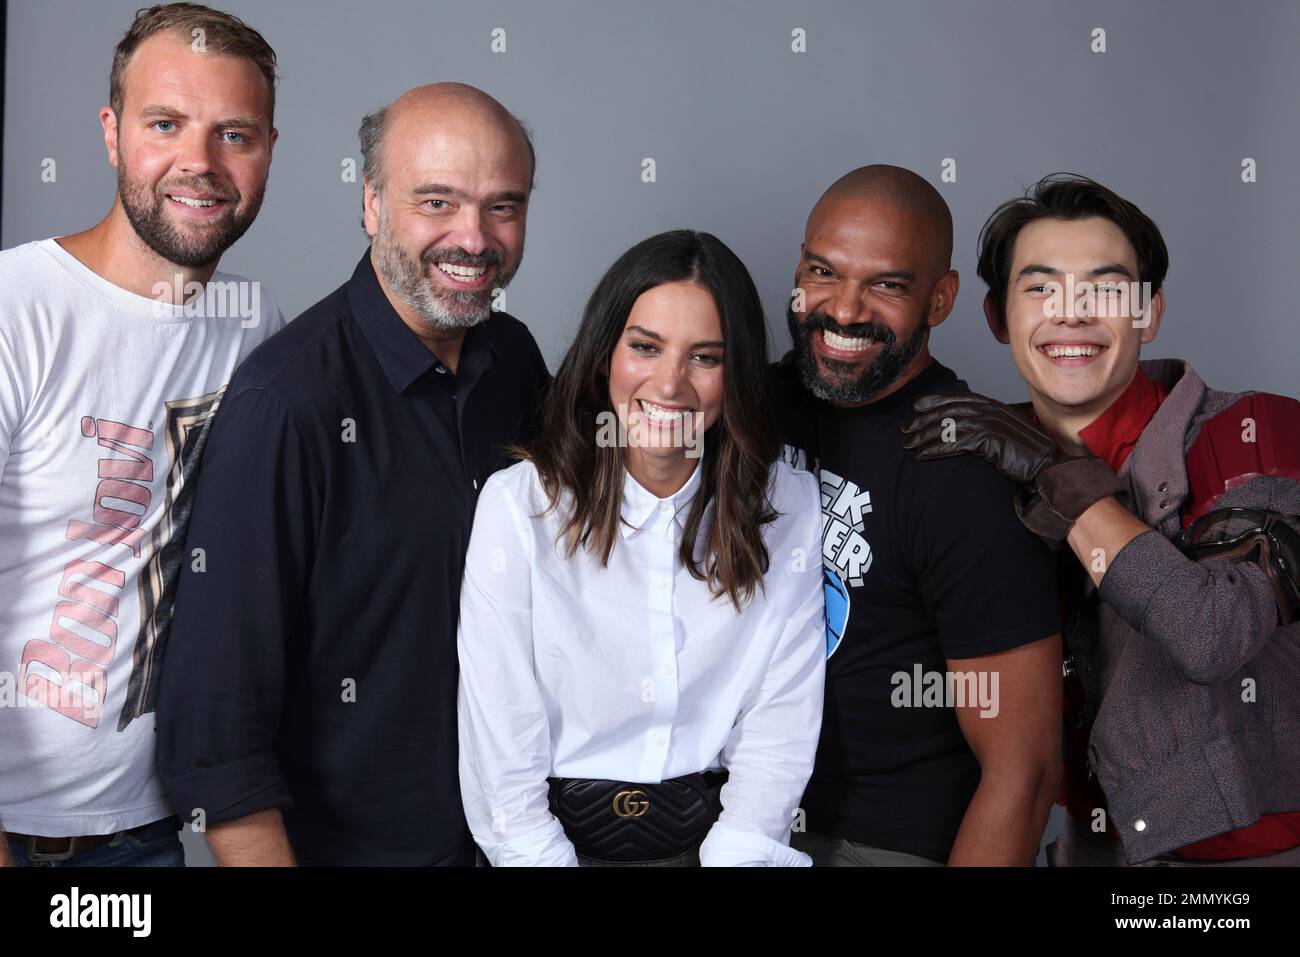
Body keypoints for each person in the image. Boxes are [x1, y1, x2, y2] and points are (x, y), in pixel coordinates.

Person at [156, 83, 549, 866]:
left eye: (502, 206)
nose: (473, 239)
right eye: (436, 202)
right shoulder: (286, 405)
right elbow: (215, 737)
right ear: (371, 203)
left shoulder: (518, 363)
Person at [903, 173, 1300, 865]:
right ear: (998, 318)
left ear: (1150, 312)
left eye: (1106, 288)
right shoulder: (984, 455)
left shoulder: (1252, 429)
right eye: (1041, 288)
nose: (1072, 314)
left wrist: (1050, 469)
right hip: (1078, 842)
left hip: (1240, 860)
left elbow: (1212, 633)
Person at [0, 3, 283, 868]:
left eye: (234, 133)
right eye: (166, 124)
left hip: (148, 832)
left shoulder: (256, 326)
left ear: (270, 148)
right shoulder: (18, 308)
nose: (199, 163)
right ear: (113, 133)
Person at [457, 229, 826, 867]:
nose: (670, 383)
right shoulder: (519, 507)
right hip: (551, 848)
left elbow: (780, 725)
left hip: (719, 847)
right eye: (645, 347)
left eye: (705, 358)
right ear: (606, 354)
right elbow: (501, 742)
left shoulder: (789, 505)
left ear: (735, 373)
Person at [769, 165, 1063, 866]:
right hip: (734, 816)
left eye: (887, 284)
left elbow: (1024, 772)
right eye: (823, 271)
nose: (843, 309)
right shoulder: (751, 402)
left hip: (877, 841)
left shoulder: (962, 472)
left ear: (940, 298)